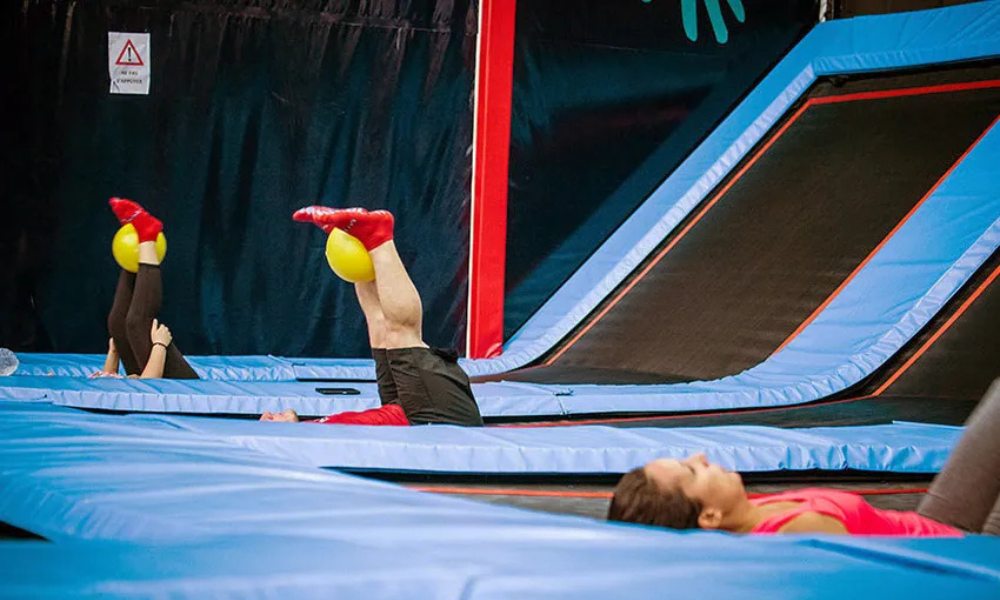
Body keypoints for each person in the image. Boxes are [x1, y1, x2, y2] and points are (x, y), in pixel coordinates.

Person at [607, 379, 1000, 536]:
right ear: (708, 516)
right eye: (691, 470)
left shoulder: (742, 514)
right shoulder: (797, 534)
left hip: (936, 522)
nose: (700, 455)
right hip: (967, 546)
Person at [260, 207, 483, 427]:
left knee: (383, 332)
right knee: (397, 334)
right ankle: (377, 239)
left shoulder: (306, 440)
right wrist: (293, 427)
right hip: (439, 416)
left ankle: (372, 239)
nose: (269, 414)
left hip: (419, 414)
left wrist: (295, 425)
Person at [98, 198, 199, 380]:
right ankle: (146, 236)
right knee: (137, 324)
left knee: (117, 324)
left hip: (139, 388)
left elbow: (107, 381)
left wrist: (115, 350)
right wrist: (159, 346)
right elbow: (148, 389)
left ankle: (138, 230)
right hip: (183, 391)